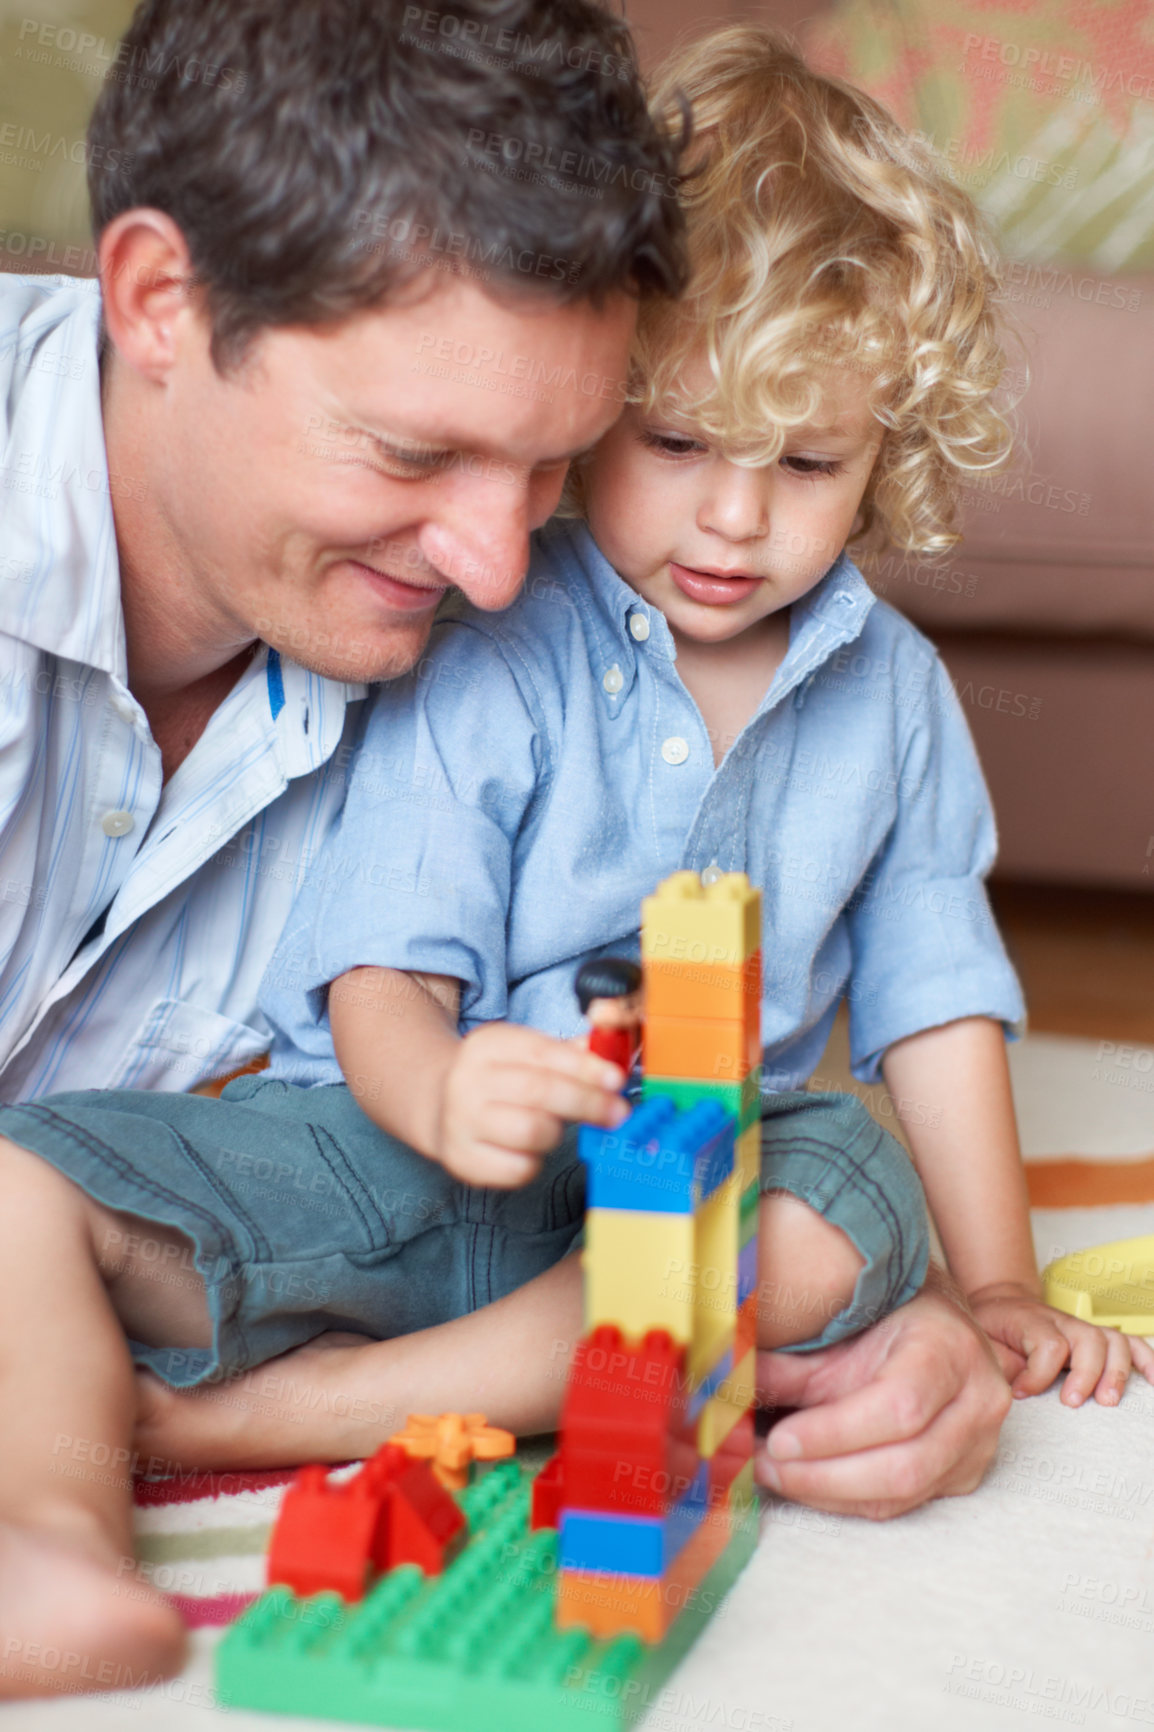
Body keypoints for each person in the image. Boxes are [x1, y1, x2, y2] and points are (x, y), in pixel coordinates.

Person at [0, 2, 1014, 1701]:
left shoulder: (793, 675)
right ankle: (47, 1522)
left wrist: (948, 1299)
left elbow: (920, 993)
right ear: (157, 302)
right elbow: (372, 997)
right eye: (413, 453)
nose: (492, 564)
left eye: (550, 462)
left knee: (815, 1190)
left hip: (653, 1182)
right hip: (406, 1167)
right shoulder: (493, 646)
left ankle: (228, 1423)